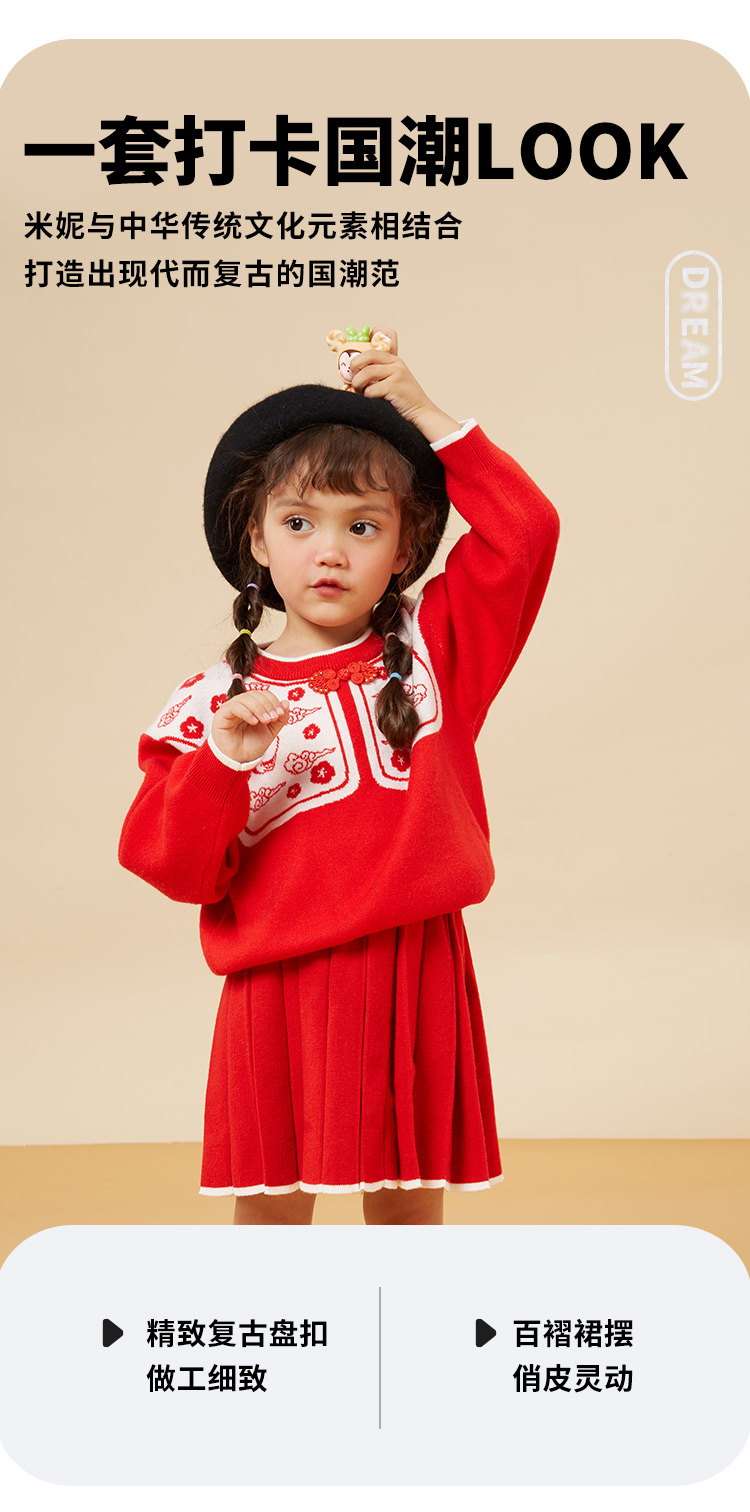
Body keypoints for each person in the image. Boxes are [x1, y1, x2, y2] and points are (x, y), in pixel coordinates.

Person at [118, 326, 560, 1228]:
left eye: (363, 526)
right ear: (255, 538)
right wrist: (222, 763)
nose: (329, 551)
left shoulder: (436, 653)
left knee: (405, 1223)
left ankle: (399, 1331)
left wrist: (426, 414)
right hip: (276, 993)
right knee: (273, 1227)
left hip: (413, 971)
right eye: (298, 523)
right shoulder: (209, 704)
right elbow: (172, 866)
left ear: (404, 548)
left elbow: (527, 532)